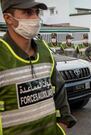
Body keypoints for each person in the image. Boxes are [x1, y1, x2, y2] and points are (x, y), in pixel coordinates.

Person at [0, 0, 77, 134]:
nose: (36, 18)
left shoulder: (44, 50)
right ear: (8, 18)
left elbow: (59, 91)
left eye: (37, 12)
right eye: (28, 12)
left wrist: (62, 126)